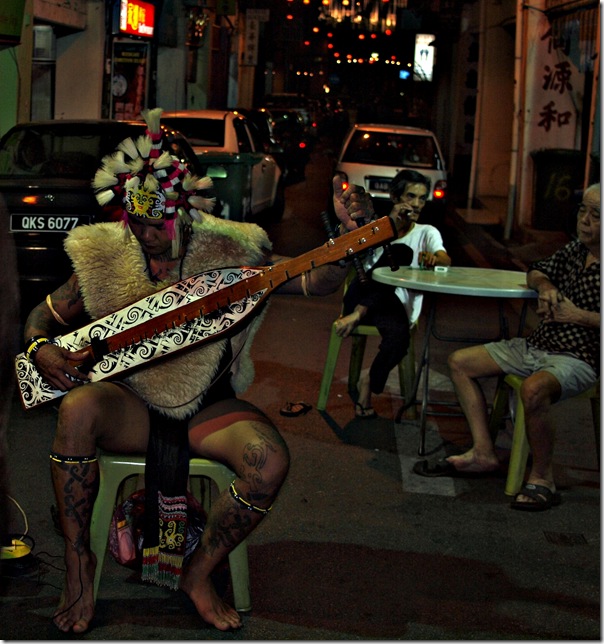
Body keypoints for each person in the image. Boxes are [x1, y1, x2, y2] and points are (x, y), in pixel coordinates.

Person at [22, 108, 377, 634]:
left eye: (159, 224)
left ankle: (198, 572)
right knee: (76, 409)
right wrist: (40, 349)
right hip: (130, 404)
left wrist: (346, 245)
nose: (147, 236)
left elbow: (312, 282)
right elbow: (43, 315)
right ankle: (78, 567)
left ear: (185, 212)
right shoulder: (105, 253)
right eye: (137, 223)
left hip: (208, 405)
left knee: (268, 463)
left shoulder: (232, 248)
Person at [415, 183, 600, 512]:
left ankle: (542, 478)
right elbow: (537, 270)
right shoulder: (576, 250)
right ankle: (483, 452)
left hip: (579, 356)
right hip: (537, 344)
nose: (584, 220)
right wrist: (545, 288)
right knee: (460, 362)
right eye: (582, 210)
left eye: (595, 214)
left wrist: (578, 316)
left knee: (534, 389)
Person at [333, 169, 451, 418]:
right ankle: (359, 312)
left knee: (399, 339)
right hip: (361, 292)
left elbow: (444, 259)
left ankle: (368, 384)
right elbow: (350, 253)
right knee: (401, 253)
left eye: (422, 198)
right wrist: (393, 225)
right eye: (410, 196)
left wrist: (434, 259)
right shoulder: (378, 226)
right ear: (396, 198)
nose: (416, 204)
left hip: (391, 307)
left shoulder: (427, 232)